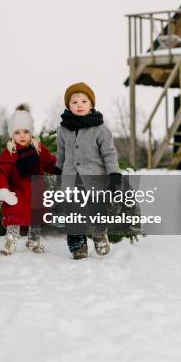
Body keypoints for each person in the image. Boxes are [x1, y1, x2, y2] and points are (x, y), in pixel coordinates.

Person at [56, 82, 122, 260]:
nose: (79, 105)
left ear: (91, 105)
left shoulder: (100, 129)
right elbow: (61, 152)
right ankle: (78, 244)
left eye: (84, 101)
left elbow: (109, 154)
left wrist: (114, 175)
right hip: (71, 179)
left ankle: (100, 234)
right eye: (74, 102)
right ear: (68, 105)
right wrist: (58, 171)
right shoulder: (63, 128)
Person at [0, 104, 57, 256]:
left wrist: (62, 169)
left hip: (36, 191)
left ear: (31, 132)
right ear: (12, 134)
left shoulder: (39, 149)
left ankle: (34, 241)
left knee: (35, 218)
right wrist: (2, 190)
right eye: (17, 132)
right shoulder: (10, 153)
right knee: (14, 215)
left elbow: (50, 163)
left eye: (26, 132)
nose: (22, 136)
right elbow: (0, 172)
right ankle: (11, 240)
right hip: (18, 192)